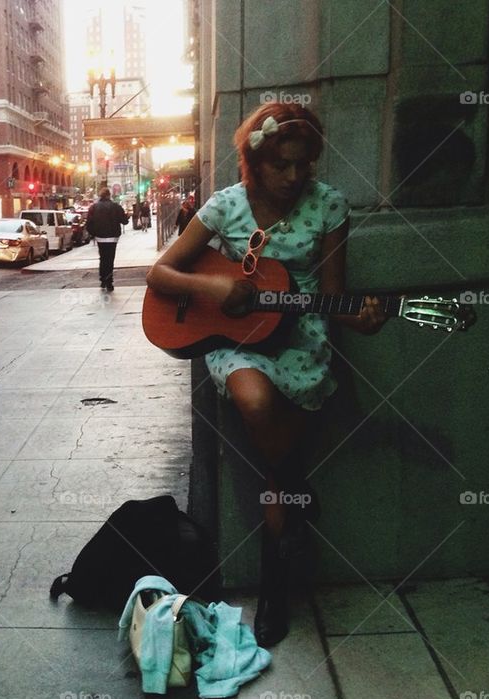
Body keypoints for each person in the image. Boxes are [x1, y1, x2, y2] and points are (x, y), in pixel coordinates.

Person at [145, 102, 387, 647]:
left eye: (303, 164)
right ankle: (297, 486)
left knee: (276, 477)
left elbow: (331, 296)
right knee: (253, 402)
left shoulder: (329, 206)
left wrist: (362, 320)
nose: (294, 176)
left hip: (301, 338)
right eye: (281, 165)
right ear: (256, 162)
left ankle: (274, 589)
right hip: (239, 343)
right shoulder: (226, 206)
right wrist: (216, 288)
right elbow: (159, 271)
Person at [85, 186, 128, 291]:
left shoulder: (94, 207)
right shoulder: (116, 206)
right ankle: (109, 281)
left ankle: (103, 279)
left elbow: (89, 223)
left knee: (103, 258)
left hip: (100, 237)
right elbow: (124, 221)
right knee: (110, 259)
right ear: (109, 195)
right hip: (113, 238)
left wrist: (94, 233)